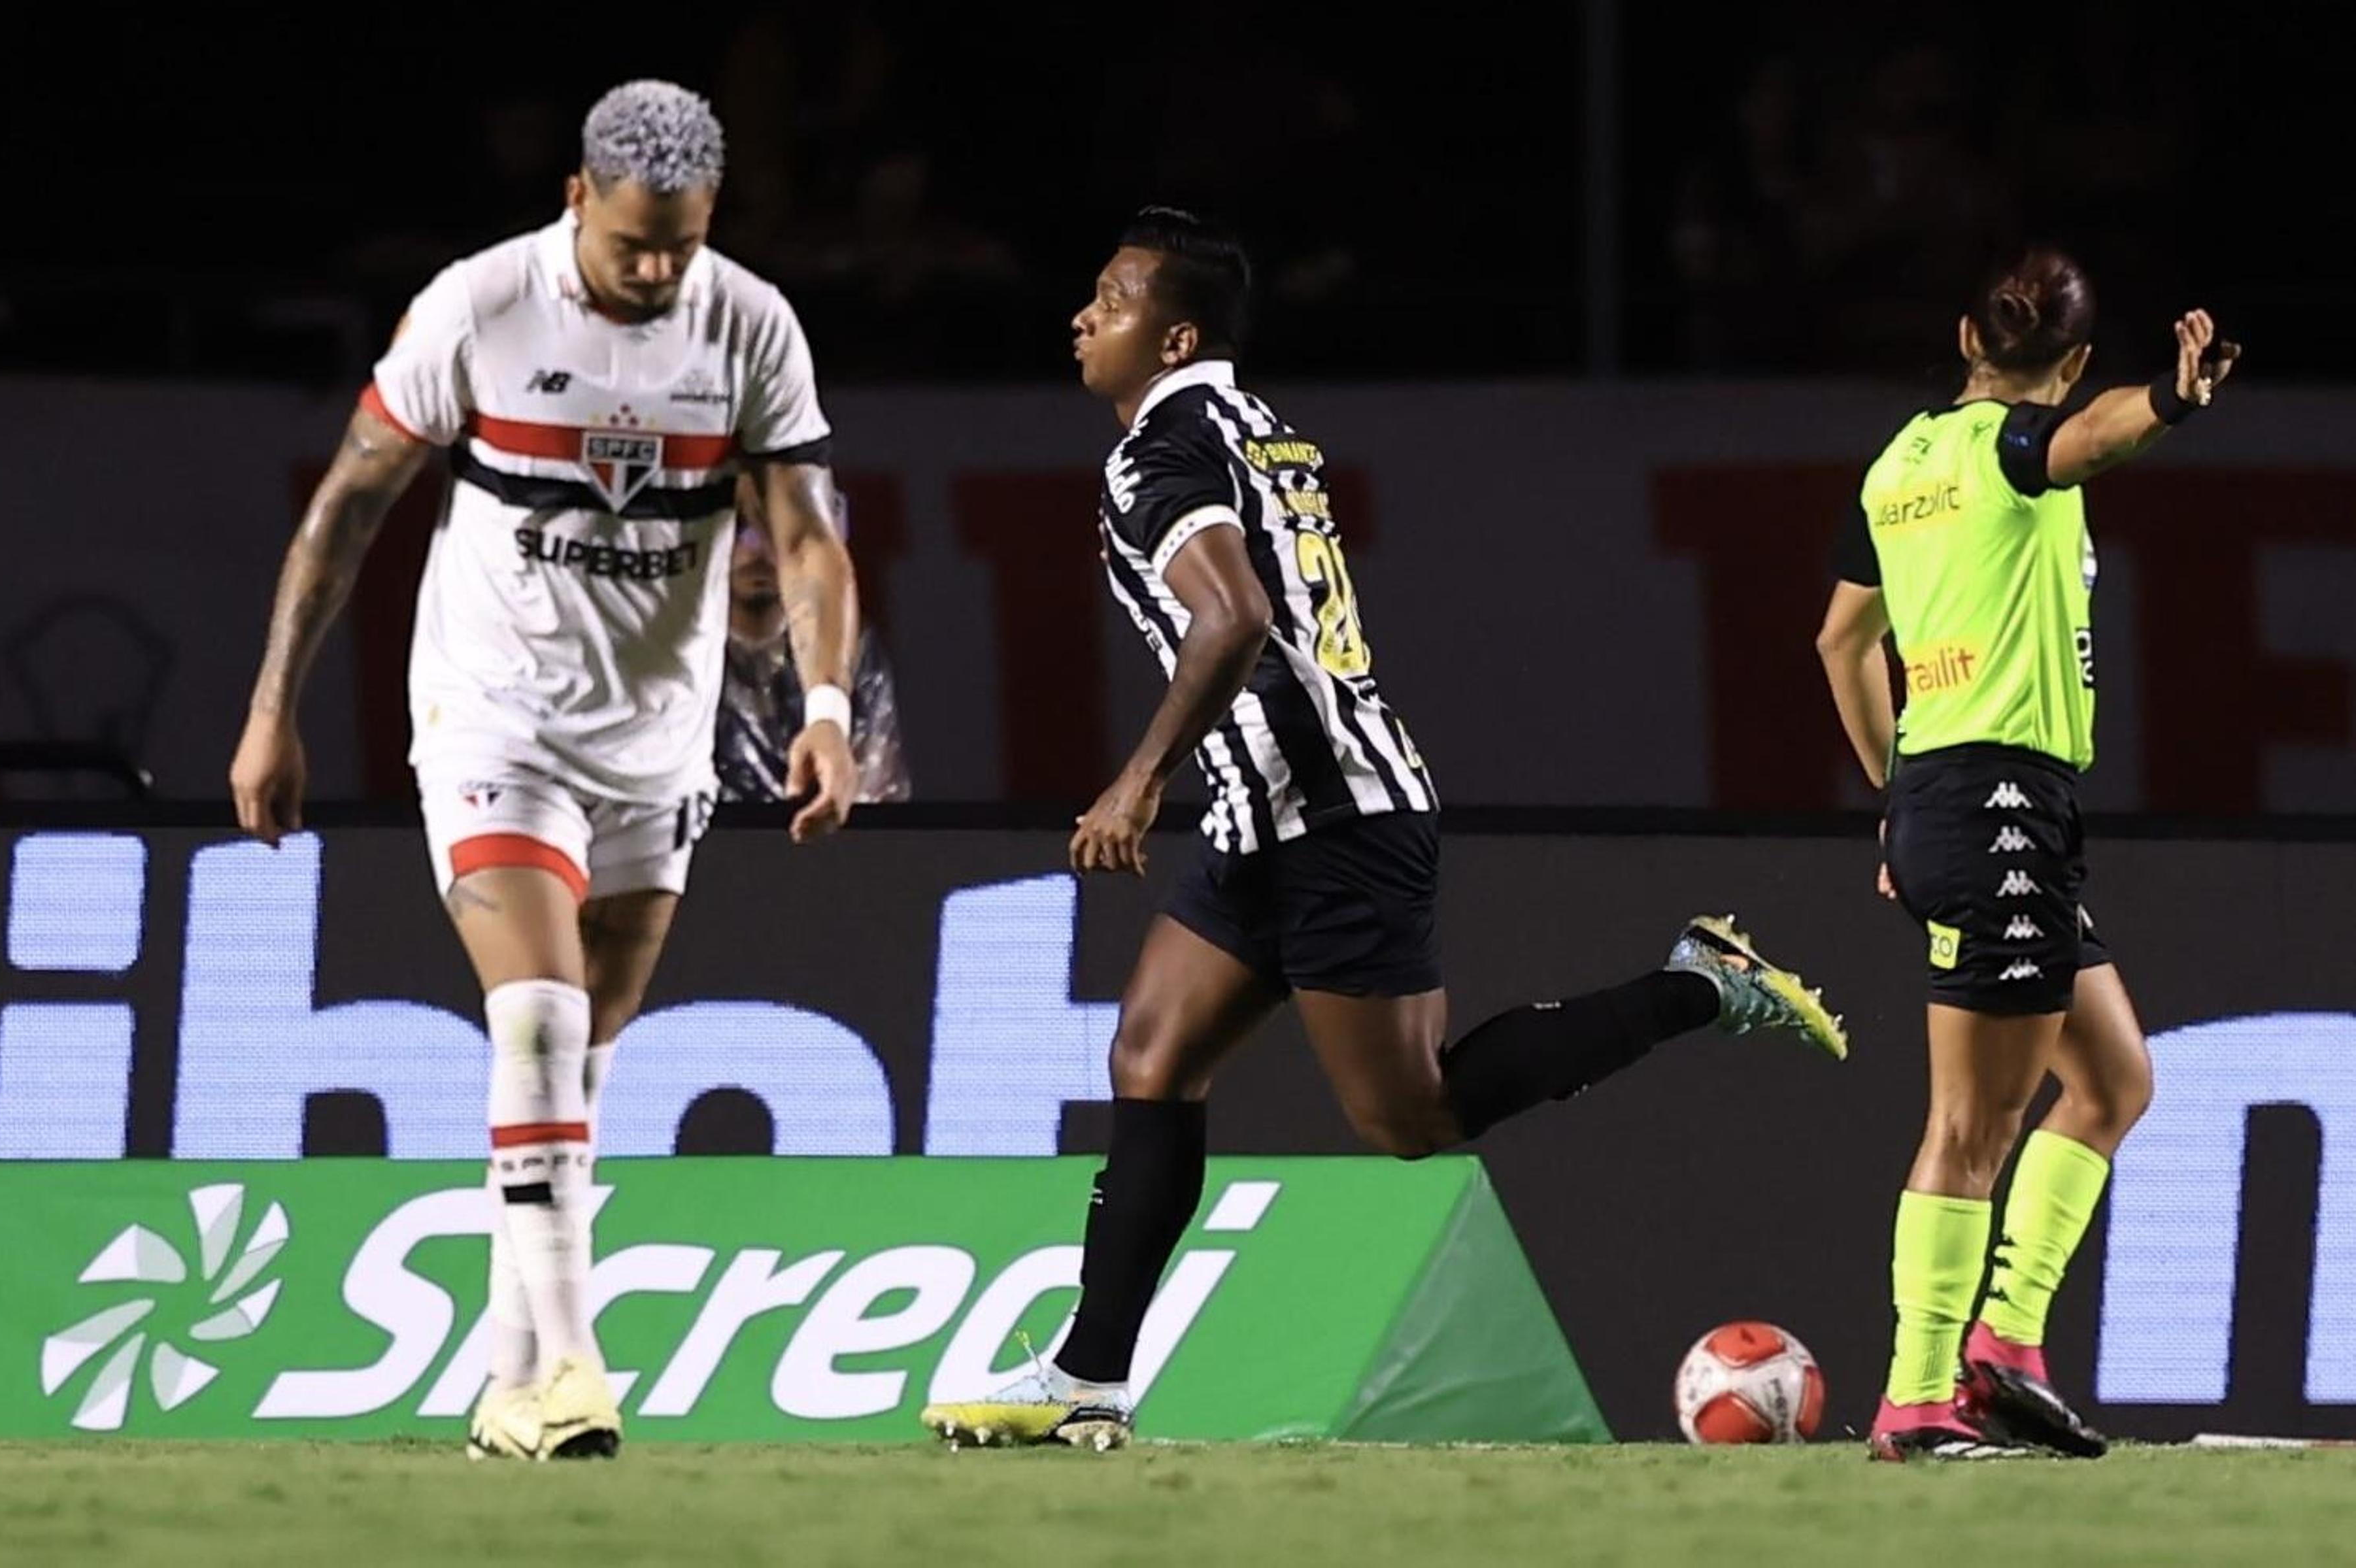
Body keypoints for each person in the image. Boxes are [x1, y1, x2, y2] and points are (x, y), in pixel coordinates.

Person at [919, 208, 1850, 1451]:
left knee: (1411, 1121)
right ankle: (1088, 1375)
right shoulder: (1257, 426)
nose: (1085, 316)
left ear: (1175, 332)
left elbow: (1236, 617)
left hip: (1334, 821)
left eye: (1113, 298)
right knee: (1149, 1055)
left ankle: (1695, 985)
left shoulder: (1160, 451)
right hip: (1273, 811)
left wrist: (1140, 778)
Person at [228, 80, 862, 1461]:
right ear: (578, 197)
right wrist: (274, 703)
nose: (657, 271)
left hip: (657, 741)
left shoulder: (749, 323)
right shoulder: (480, 305)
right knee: (538, 1018)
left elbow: (807, 535)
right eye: (635, 242)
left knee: (586, 1064)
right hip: (491, 718)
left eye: (682, 245)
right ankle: (574, 1362)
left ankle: (506, 1382)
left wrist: (822, 702)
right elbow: (348, 503)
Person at [1814, 248, 2239, 1461]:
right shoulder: (2018, 447)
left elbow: (1842, 639)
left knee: (2114, 1084)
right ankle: (1914, 1394)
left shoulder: (1898, 463)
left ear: (1963, 337)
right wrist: (2169, 401)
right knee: (1969, 1128)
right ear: (2075, 364)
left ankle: (2001, 1348)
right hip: (1997, 802)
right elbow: (2087, 443)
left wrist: (1897, 795)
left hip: (1970, 801)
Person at [717, 475, 911, 804]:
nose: (757, 550)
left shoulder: (851, 650)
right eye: (739, 527)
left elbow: (877, 805)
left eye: (773, 530)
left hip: (815, 843)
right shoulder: (676, 647)